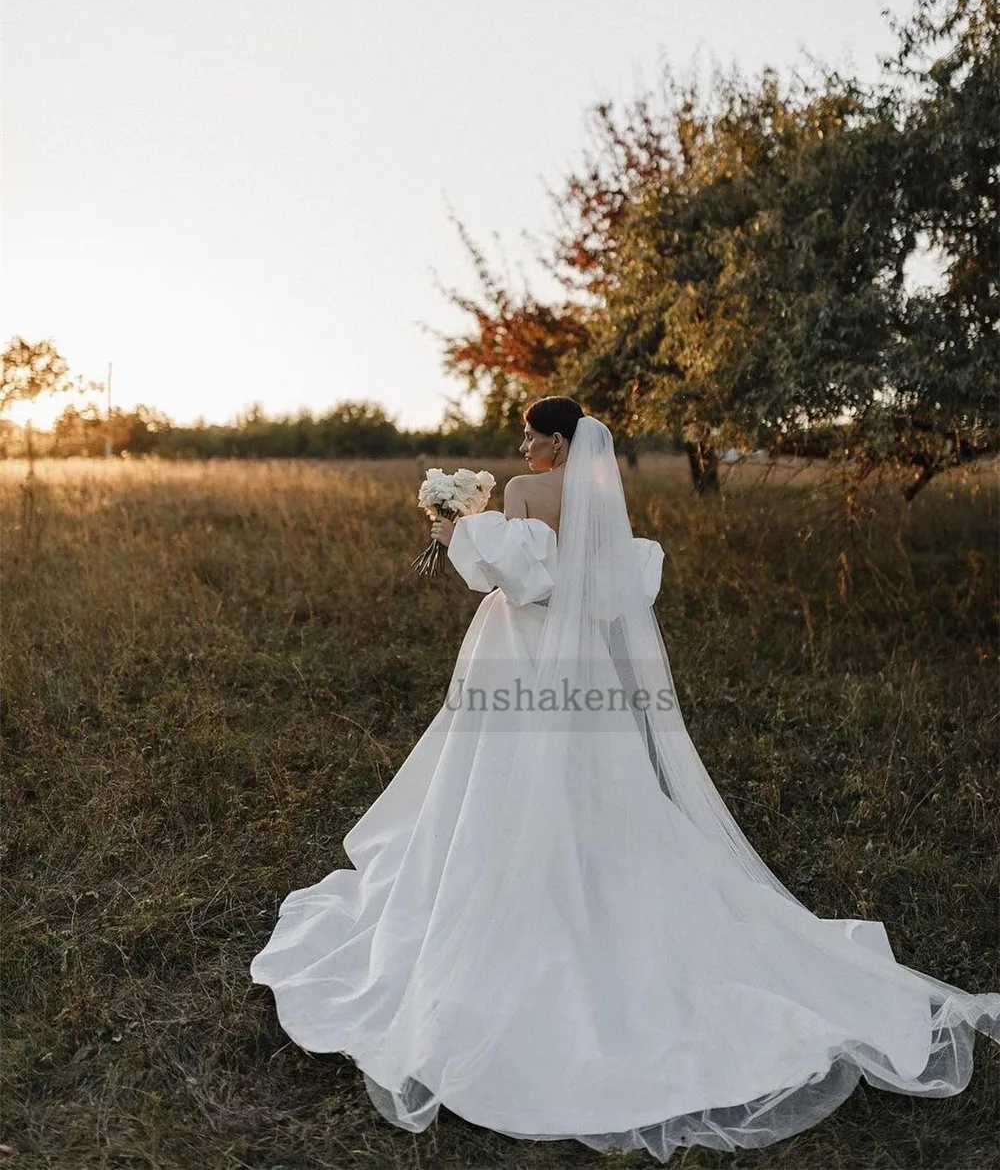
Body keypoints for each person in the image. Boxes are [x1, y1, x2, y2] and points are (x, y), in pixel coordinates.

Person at [250, 396, 999, 1163]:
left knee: (495, 773)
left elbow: (506, 579)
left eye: (533, 435)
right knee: (595, 786)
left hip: (521, 653)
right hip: (584, 663)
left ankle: (509, 886)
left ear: (558, 439)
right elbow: (605, 585)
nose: (524, 445)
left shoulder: (520, 493)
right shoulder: (606, 498)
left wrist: (453, 534)